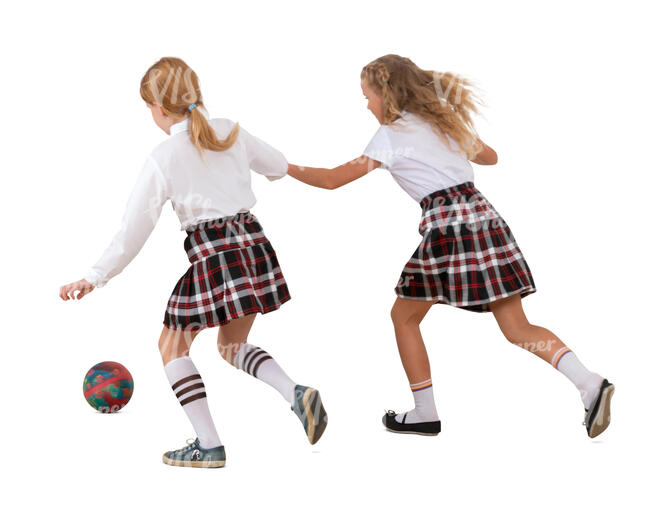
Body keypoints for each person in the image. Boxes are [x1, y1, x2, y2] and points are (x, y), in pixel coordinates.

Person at [286, 53, 613, 439]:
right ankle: (589, 382)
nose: (367, 105)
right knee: (517, 326)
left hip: (449, 225)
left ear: (387, 94)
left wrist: (283, 167)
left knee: (404, 317)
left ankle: (425, 412)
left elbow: (331, 180)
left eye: (367, 96)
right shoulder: (441, 124)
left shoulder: (390, 135)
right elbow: (490, 157)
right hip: (483, 217)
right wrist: (454, 127)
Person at [59, 57, 328, 468]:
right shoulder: (230, 130)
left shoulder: (164, 155)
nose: (151, 115)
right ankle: (295, 393)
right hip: (254, 246)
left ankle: (209, 445)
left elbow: (134, 230)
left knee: (171, 345)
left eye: (149, 107)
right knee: (231, 345)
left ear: (160, 109)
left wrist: (94, 277)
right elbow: (277, 166)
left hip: (215, 253)